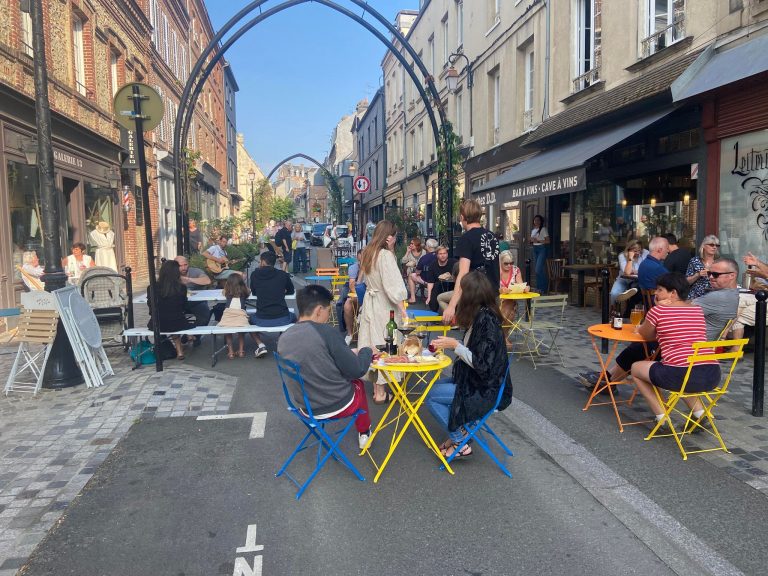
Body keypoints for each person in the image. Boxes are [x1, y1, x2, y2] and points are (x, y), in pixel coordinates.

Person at [578, 259, 740, 390]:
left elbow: (681, 308)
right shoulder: (729, 295)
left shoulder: (719, 297)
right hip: (693, 345)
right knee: (642, 346)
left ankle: (608, 383)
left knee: (639, 348)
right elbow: (683, 306)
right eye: (710, 273)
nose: (710, 277)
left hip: (686, 348)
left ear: (732, 275)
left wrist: (665, 306)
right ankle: (607, 378)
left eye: (715, 274)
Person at [425, 271, 512, 459]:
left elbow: (482, 365)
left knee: (431, 397)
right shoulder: (482, 315)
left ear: (471, 295)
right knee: (433, 387)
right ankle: (461, 430)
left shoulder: (486, 321)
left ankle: (460, 440)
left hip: (486, 389)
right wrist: (452, 347)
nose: (459, 295)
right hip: (478, 381)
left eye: (462, 291)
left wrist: (455, 346)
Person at [277, 284, 373, 450]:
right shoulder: (326, 332)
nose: (328, 317)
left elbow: (317, 355)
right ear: (319, 310)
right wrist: (366, 351)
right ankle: (364, 432)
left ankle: (361, 432)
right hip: (335, 404)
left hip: (304, 407)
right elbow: (357, 369)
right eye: (328, 311)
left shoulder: (284, 337)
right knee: (358, 383)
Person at [630, 272, 721, 427]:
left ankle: (662, 418)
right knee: (685, 369)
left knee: (636, 368)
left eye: (659, 290)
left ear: (673, 293)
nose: (655, 293)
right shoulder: (697, 310)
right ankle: (700, 414)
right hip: (712, 374)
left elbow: (646, 335)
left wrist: (655, 311)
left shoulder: (658, 311)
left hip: (681, 374)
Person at [357, 220, 408, 404]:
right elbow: (392, 284)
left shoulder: (369, 253)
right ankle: (380, 392)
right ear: (389, 237)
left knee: (373, 343)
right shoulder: (385, 255)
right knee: (387, 344)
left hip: (371, 303)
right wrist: (403, 309)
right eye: (394, 235)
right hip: (384, 306)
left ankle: (377, 390)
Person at [442, 199, 500, 324]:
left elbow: (463, 273)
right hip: (493, 294)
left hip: (475, 294)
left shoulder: (466, 239)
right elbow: (496, 265)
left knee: (474, 336)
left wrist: (452, 305)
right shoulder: (492, 236)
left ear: (462, 217)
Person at [249, 251, 296, 357]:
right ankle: (281, 341)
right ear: (274, 262)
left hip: (261, 318)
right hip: (283, 317)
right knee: (293, 317)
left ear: (262, 261)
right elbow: (291, 291)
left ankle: (260, 345)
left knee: (248, 319)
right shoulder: (283, 275)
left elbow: (254, 292)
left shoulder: (255, 274)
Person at [147, 260, 194, 359]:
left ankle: (176, 350)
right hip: (177, 323)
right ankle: (181, 349)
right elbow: (184, 307)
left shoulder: (151, 287)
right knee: (176, 319)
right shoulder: (181, 288)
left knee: (168, 318)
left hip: (157, 324)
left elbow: (150, 306)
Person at [218, 274, 259, 359]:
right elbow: (249, 291)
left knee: (227, 332)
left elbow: (223, 292)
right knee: (241, 333)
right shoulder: (245, 291)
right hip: (241, 317)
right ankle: (241, 351)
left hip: (228, 316)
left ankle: (231, 352)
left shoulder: (227, 291)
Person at [338, 249, 366, 345]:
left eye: (363, 260)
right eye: (359, 260)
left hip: (372, 297)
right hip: (358, 297)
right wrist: (361, 271)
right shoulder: (353, 268)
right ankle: (350, 334)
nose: (360, 263)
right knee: (347, 304)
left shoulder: (374, 268)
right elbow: (352, 287)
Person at [175, 256, 211, 329]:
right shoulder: (172, 274)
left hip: (197, 302)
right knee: (161, 314)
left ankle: (195, 336)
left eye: (185, 265)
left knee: (205, 313)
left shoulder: (195, 271)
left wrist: (189, 280)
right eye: (180, 266)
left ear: (188, 264)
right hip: (178, 302)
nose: (183, 268)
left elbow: (207, 281)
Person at [609, 240, 647, 307]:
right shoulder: (622, 255)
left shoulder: (645, 253)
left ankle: (630, 311)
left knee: (636, 292)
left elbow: (647, 268)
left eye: (639, 250)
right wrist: (630, 258)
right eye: (635, 251)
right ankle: (613, 310)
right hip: (623, 280)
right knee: (614, 293)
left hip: (637, 281)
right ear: (629, 250)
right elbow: (627, 272)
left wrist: (636, 271)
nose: (638, 253)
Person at [498, 250, 528, 329]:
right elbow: (491, 286)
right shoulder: (495, 270)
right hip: (496, 300)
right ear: (500, 261)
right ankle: (504, 336)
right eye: (506, 263)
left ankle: (502, 334)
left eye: (511, 263)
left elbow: (520, 285)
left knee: (510, 305)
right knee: (510, 312)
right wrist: (500, 290)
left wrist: (525, 288)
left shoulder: (515, 270)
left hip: (510, 300)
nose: (509, 265)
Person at [686, 235, 720, 299]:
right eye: (711, 245)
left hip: (714, 297)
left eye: (717, 245)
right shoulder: (695, 261)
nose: (714, 247)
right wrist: (698, 275)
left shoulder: (719, 262)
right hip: (696, 297)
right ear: (704, 246)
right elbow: (687, 282)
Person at [425, 246, 457, 313]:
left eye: (444, 253)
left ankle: (451, 313)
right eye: (440, 254)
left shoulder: (454, 263)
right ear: (437, 255)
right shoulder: (433, 265)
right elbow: (430, 282)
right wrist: (429, 296)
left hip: (452, 286)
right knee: (433, 306)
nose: (443, 255)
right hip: (438, 287)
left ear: (447, 254)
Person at [408, 238, 437, 303]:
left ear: (428, 247)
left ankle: (413, 298)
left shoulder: (424, 258)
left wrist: (415, 267)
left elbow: (417, 272)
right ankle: (423, 295)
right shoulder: (440, 255)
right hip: (438, 280)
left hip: (426, 281)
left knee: (411, 276)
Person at [529, 214, 549, 294]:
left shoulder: (543, 229)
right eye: (535, 220)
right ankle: (539, 288)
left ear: (541, 222)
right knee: (538, 270)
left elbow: (548, 241)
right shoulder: (533, 230)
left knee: (538, 269)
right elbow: (532, 241)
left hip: (541, 249)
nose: (536, 221)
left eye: (538, 220)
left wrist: (538, 241)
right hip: (535, 249)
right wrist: (530, 240)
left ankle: (543, 288)